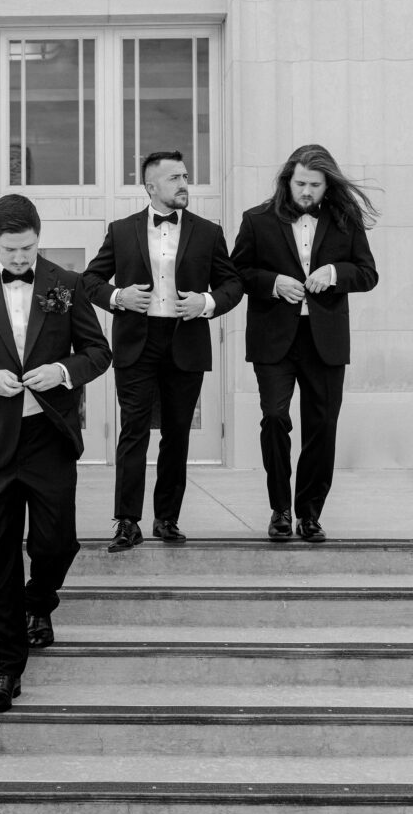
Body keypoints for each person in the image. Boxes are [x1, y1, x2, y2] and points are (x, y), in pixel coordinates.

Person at [0, 194, 111, 713]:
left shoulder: (66, 283)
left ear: (39, 237)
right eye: (10, 250)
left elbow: (98, 352)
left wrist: (63, 372)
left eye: (27, 248)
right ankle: (4, 669)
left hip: (47, 439)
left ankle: (40, 601)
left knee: (57, 543)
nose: (18, 259)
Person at [83, 150, 242, 551]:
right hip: (138, 342)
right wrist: (119, 296)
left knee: (176, 435)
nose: (184, 183)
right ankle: (127, 522)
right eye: (174, 178)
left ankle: (167, 518)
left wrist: (205, 304)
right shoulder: (121, 230)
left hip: (186, 340)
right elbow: (90, 280)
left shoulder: (209, 231)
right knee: (133, 431)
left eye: (185, 176)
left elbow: (232, 285)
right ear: (150, 186)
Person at [231, 143, 379, 543]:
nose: (307, 192)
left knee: (322, 428)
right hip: (274, 340)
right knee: (275, 419)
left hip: (325, 342)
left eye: (315, 184)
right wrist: (272, 283)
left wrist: (334, 272)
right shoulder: (256, 219)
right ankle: (280, 509)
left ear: (327, 185)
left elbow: (368, 274)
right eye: (301, 183)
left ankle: (309, 514)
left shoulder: (345, 221)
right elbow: (238, 273)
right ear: (288, 180)